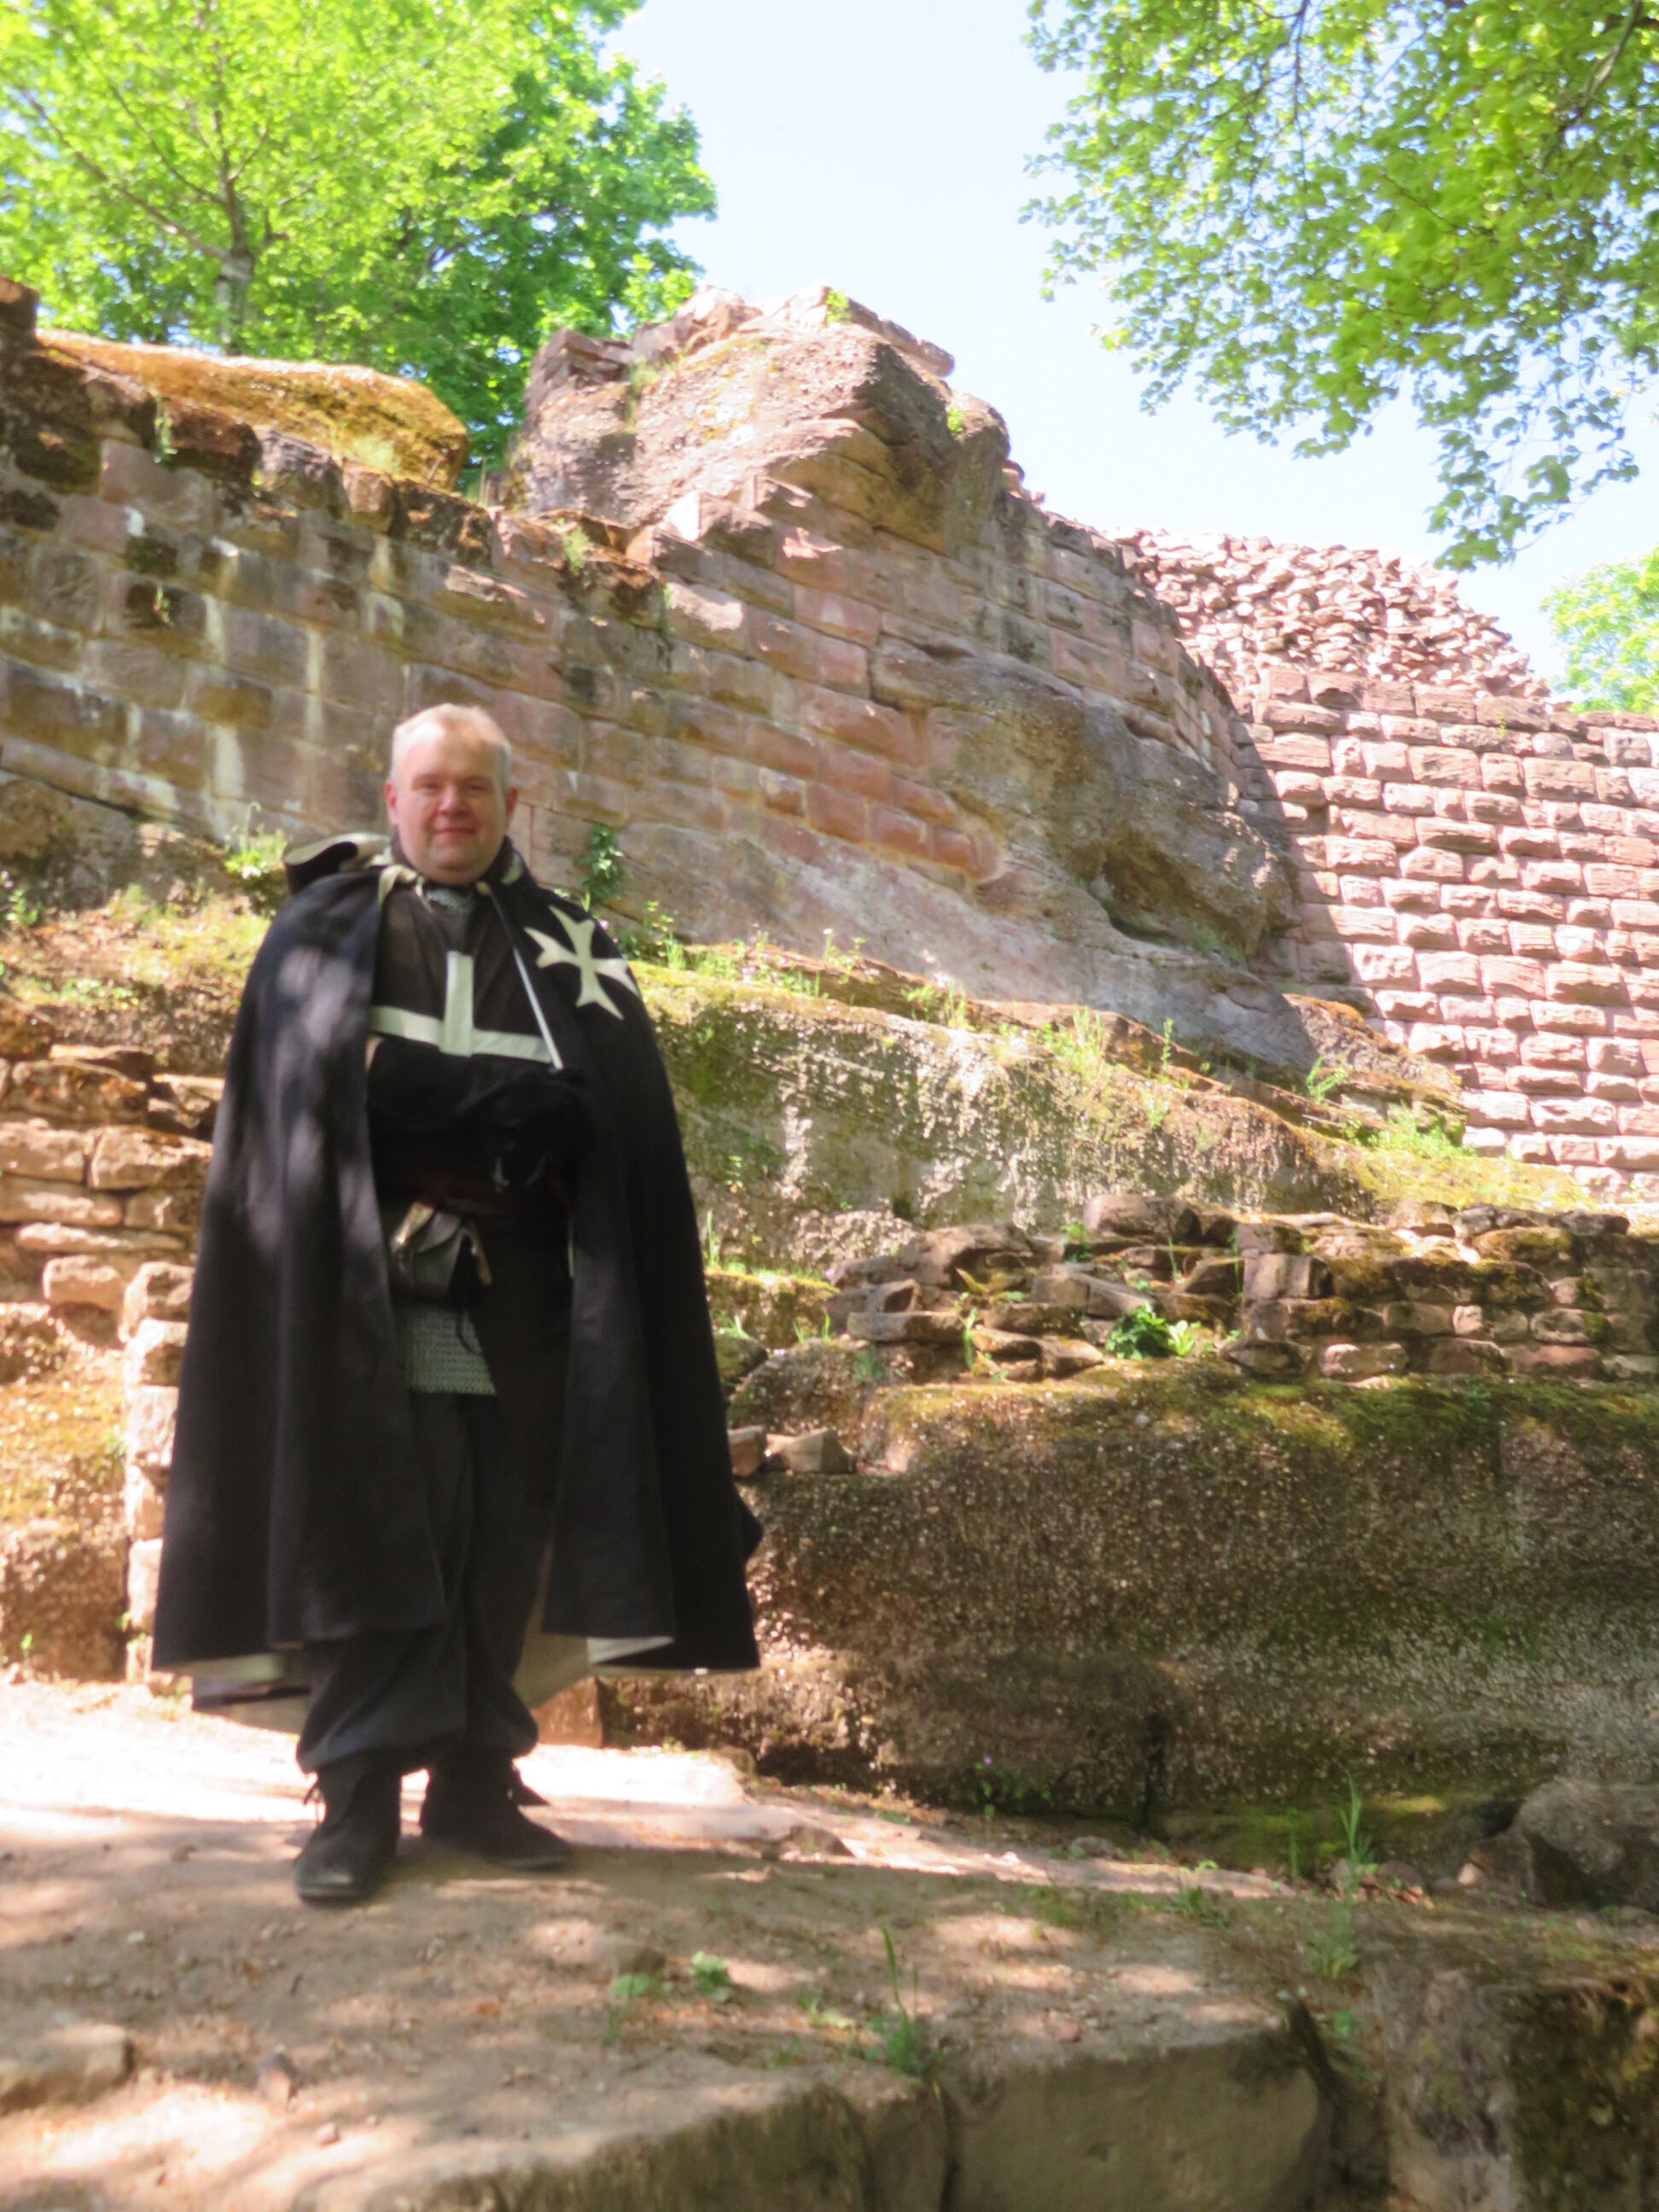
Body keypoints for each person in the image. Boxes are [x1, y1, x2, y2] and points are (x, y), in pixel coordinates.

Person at [151, 704, 760, 1904]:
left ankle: (476, 1782)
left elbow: (610, 1117)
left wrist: (517, 1110)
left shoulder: (568, 946)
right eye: (429, 786)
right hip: (376, 1287)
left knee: (507, 1526)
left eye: (474, 789)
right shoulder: (328, 928)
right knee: (393, 1514)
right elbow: (307, 1088)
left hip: (530, 1291)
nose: (451, 807)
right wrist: (467, 1097)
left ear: (509, 806)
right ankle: (357, 1794)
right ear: (392, 800)